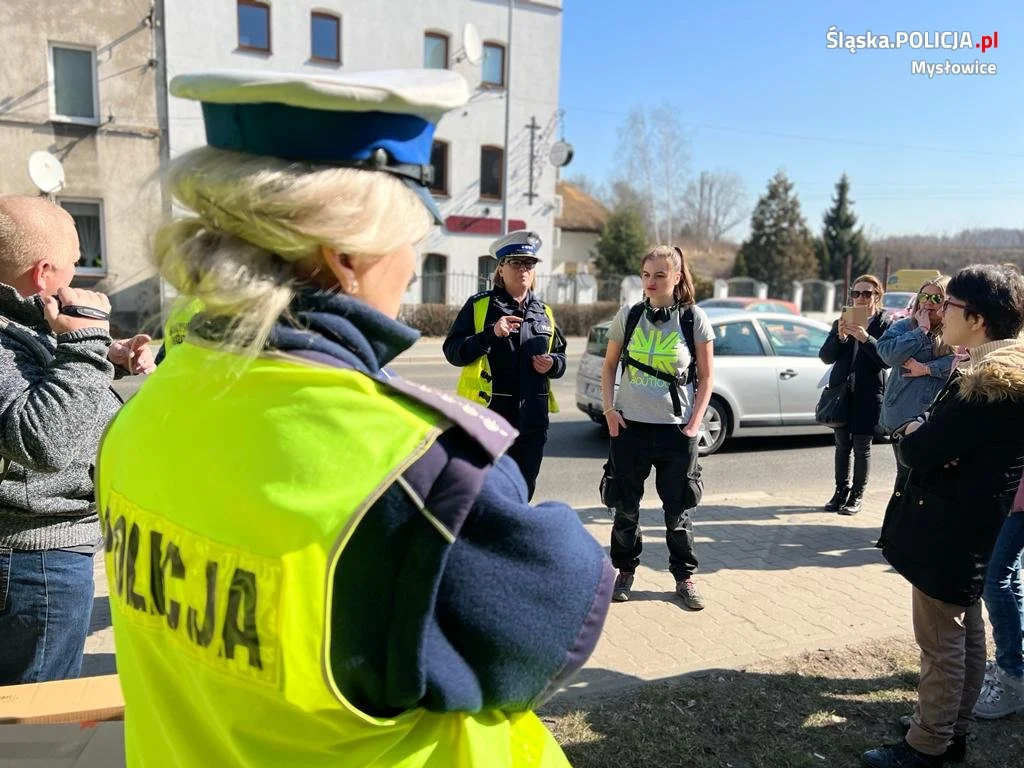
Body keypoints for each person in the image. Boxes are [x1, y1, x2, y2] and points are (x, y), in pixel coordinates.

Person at [95, 69, 612, 768]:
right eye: (410, 238)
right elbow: (554, 611)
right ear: (347, 255)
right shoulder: (416, 475)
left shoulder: (143, 412)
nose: (412, 264)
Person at [864, 264, 1024, 768]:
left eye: (948, 304)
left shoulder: (987, 384)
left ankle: (928, 743)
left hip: (949, 530)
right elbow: (941, 444)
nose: (938, 311)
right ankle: (951, 729)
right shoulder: (995, 372)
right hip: (970, 526)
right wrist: (927, 434)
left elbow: (921, 449)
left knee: (941, 642)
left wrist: (915, 431)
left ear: (976, 319)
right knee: (964, 632)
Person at [0, 196, 154, 685]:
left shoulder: (19, 319)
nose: (78, 274)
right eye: (74, 262)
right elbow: (44, 441)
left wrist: (107, 353)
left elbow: (33, 374)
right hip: (33, 563)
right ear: (44, 272)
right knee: (35, 719)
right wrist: (85, 346)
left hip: (36, 558)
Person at [600, 245, 714, 609]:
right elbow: (609, 366)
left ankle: (684, 577)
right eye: (646, 275)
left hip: (675, 432)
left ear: (677, 277)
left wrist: (694, 423)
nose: (651, 282)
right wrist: (609, 410)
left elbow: (707, 377)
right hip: (630, 427)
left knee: (678, 512)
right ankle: (625, 570)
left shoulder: (693, 319)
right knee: (625, 508)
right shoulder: (629, 315)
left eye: (660, 275)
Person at [443, 231, 566, 500]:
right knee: (485, 492)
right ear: (500, 268)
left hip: (532, 420)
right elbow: (453, 352)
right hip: (490, 417)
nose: (523, 269)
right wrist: (490, 334)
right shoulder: (480, 306)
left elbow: (560, 357)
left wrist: (552, 364)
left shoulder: (544, 312)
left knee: (523, 491)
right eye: (515, 262)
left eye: (529, 263)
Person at [818, 274, 890, 515]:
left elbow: (885, 360)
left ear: (877, 296)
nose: (860, 298)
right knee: (841, 446)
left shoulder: (885, 323)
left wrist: (865, 338)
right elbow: (826, 356)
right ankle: (840, 491)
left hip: (869, 394)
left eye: (866, 293)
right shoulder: (843, 320)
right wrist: (840, 337)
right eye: (856, 293)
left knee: (862, 446)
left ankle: (857, 495)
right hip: (842, 393)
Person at [877, 277, 957, 492]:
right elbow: (888, 355)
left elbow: (963, 360)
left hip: (935, 415)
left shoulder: (954, 329)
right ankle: (899, 513)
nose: (928, 302)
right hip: (903, 413)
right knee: (907, 473)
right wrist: (921, 331)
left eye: (936, 298)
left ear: (947, 302)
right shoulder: (904, 326)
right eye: (924, 296)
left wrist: (927, 368)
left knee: (930, 475)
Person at [973, 416, 1024, 720]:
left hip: (1019, 496)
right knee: (1008, 575)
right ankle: (1015, 662)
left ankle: (1012, 673)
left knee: (993, 579)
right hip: (1013, 489)